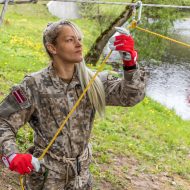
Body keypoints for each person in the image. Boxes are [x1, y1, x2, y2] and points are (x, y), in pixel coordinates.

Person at [0, 20, 146, 190]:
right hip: (46, 179)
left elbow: (131, 96)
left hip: (81, 179)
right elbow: (3, 122)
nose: (79, 44)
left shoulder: (93, 81)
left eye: (79, 39)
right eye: (70, 40)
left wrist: (130, 63)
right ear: (52, 48)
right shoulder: (34, 85)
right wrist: (11, 155)